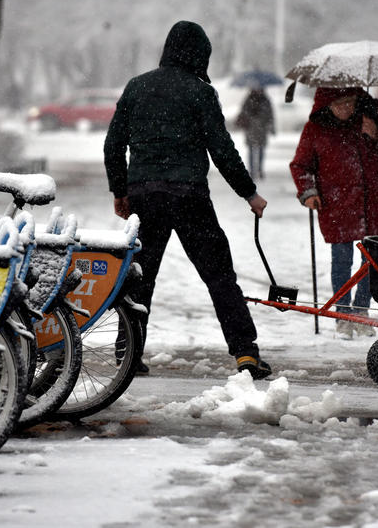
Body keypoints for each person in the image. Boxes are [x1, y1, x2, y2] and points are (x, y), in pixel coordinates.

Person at [104, 20, 272, 380]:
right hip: (189, 196)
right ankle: (245, 354)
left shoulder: (137, 87)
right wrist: (249, 193)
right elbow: (222, 149)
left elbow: (113, 144)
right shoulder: (200, 92)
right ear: (200, 55)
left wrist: (120, 190)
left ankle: (127, 354)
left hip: (145, 196)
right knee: (220, 277)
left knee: (140, 278)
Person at [289, 86, 378, 339]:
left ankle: (361, 312)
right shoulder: (316, 128)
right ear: (327, 105)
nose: (346, 109)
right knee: (341, 259)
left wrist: (376, 136)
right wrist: (309, 192)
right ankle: (342, 313)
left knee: (372, 261)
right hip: (336, 204)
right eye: (340, 104)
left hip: (374, 201)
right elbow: (301, 165)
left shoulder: (372, 116)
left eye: (350, 102)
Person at [236, 87, 275, 179]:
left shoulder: (263, 100)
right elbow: (243, 113)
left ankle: (258, 170)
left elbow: (270, 114)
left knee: (259, 150)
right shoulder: (251, 100)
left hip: (259, 129)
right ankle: (253, 170)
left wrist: (271, 126)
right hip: (253, 129)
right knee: (252, 150)